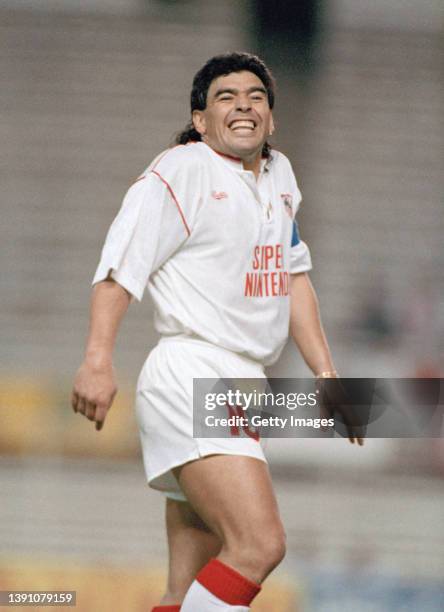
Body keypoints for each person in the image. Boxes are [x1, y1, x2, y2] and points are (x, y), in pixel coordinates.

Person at [72, 52, 362, 612]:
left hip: (240, 381)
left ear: (271, 118)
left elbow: (294, 279)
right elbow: (119, 266)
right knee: (259, 545)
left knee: (189, 586)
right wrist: (98, 359)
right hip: (194, 373)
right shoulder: (181, 170)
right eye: (225, 97)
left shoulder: (280, 176)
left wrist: (327, 376)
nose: (243, 105)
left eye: (256, 96)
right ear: (200, 120)